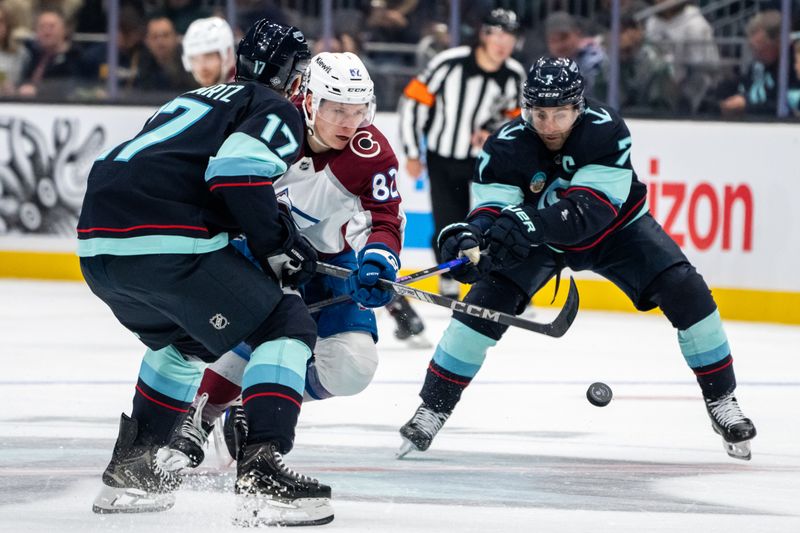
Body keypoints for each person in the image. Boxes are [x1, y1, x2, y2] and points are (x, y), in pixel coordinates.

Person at [397, 57, 757, 462]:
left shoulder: (607, 131)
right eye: (540, 113)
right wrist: (474, 236)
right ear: (525, 108)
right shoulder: (504, 144)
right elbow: (492, 208)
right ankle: (432, 408)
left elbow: (592, 210)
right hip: (541, 241)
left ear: (579, 108)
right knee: (479, 310)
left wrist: (527, 222)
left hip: (619, 232)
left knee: (686, 290)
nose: (549, 124)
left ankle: (722, 401)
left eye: (561, 113)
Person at [79, 19, 334, 526]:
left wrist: (267, 227)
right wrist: (279, 245)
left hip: (98, 247)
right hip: (166, 247)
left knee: (182, 345)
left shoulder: (193, 100)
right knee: (286, 324)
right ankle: (262, 469)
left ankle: (134, 469)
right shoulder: (273, 106)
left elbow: (190, 172)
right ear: (294, 76)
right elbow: (235, 173)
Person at [155, 51, 410, 473]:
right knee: (244, 340)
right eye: (337, 110)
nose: (349, 123)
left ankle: (248, 399)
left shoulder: (371, 153)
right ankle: (197, 417)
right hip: (253, 257)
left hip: (326, 266)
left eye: (358, 110)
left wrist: (379, 260)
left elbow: (383, 217)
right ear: (309, 101)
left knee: (353, 367)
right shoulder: (268, 127)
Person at [398, 8, 525, 301]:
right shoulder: (449, 63)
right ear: (484, 34)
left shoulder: (514, 75)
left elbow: (518, 121)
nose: (503, 42)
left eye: (510, 36)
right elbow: (414, 102)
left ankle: (492, 282)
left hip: (486, 163)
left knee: (491, 221)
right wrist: (411, 151)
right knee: (448, 222)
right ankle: (450, 279)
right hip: (444, 157)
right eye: (497, 33)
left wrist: (492, 133)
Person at [718, 10, 789, 117]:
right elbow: (744, 86)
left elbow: (785, 107)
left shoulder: (793, 68)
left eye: (760, 49)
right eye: (752, 48)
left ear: (778, 43)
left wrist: (747, 105)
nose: (755, 54)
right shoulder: (757, 64)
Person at [181, 16, 236, 87]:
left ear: (227, 54)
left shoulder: (246, 89)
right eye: (195, 59)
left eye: (209, 56)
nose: (202, 67)